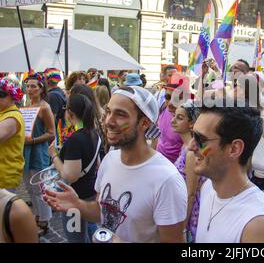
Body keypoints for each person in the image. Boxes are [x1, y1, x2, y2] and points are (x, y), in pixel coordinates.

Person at [44, 86, 187, 243]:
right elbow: (101, 211)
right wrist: (78, 204)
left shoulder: (167, 180)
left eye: (120, 115)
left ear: (144, 123)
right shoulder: (110, 160)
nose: (108, 122)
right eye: (109, 112)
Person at [190, 99, 264, 243]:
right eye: (192, 135)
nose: (191, 146)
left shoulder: (259, 224)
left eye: (200, 139)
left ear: (234, 149)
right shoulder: (208, 188)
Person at [48, 94, 101, 242]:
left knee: (75, 237)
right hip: (89, 192)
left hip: (74, 197)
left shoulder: (76, 139)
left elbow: (70, 175)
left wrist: (54, 155)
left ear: (70, 112)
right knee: (84, 233)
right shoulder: (93, 132)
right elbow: (97, 163)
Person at [22, 73, 55, 236]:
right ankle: (37, 214)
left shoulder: (44, 107)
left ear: (41, 88)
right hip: (26, 152)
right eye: (28, 86)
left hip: (38, 152)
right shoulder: (27, 104)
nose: (30, 89)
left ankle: (45, 220)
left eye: (33, 86)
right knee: (29, 187)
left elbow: (51, 133)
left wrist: (33, 141)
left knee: (41, 188)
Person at [171, 101, 205, 242]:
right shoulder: (185, 146)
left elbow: (190, 194)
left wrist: (182, 228)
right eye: (174, 116)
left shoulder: (191, 152)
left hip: (192, 216)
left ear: (191, 124)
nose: (173, 120)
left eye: (179, 117)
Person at [0, 78, 25, 190]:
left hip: (4, 176)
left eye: (1, 94)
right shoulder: (3, 113)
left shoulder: (13, 116)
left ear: (12, 96)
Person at [156, 72, 186, 163]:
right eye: (168, 97)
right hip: (159, 162)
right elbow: (157, 138)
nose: (170, 103)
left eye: (176, 99)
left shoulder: (190, 118)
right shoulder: (162, 108)